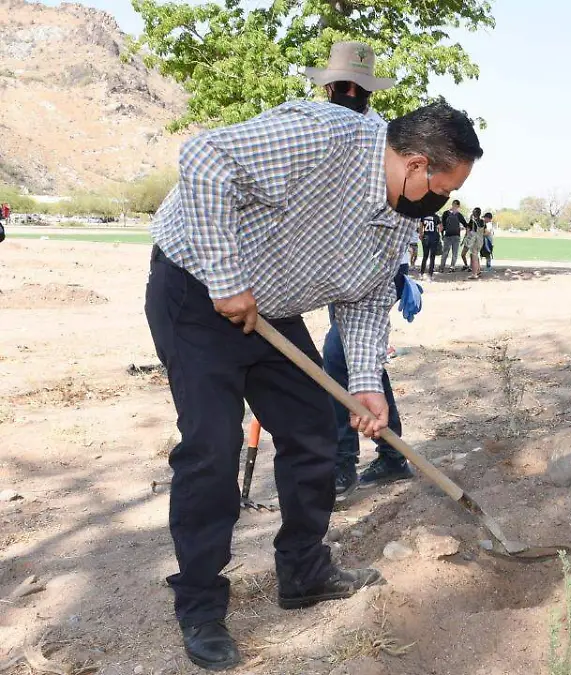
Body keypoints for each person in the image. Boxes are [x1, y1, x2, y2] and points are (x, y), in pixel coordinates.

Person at [145, 98, 482, 670]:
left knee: (313, 436)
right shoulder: (324, 137)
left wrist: (368, 382)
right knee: (211, 449)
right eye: (443, 189)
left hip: (271, 313)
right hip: (198, 292)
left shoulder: (396, 215)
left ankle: (303, 571)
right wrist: (226, 279)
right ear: (417, 166)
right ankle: (201, 606)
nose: (441, 204)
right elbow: (204, 158)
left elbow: (369, 296)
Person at [305, 41, 416, 495]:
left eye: (354, 88)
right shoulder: (324, 134)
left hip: (373, 270)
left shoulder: (382, 140)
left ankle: (342, 462)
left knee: (339, 358)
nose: (349, 94)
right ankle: (391, 454)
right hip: (340, 266)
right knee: (359, 360)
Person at [439, 199, 466, 272]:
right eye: (454, 205)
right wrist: (442, 235)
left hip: (456, 237)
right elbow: (442, 225)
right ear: (453, 204)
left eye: (456, 205)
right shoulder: (446, 213)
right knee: (445, 253)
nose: (455, 206)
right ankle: (441, 267)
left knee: (455, 253)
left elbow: (465, 224)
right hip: (447, 236)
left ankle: (452, 267)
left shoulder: (459, 215)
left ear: (458, 206)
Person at [462, 206, 484, 278]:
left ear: (474, 213)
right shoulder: (482, 221)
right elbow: (485, 232)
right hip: (480, 241)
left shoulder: (472, 221)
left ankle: (474, 274)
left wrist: (465, 241)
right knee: (476, 256)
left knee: (473, 257)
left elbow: (468, 231)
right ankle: (478, 270)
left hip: (474, 241)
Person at [420, 212, 441, 280]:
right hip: (434, 237)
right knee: (432, 257)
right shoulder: (436, 217)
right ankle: (430, 274)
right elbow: (440, 228)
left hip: (426, 237)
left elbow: (421, 226)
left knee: (425, 256)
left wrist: (421, 235)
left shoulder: (423, 216)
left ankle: (422, 273)